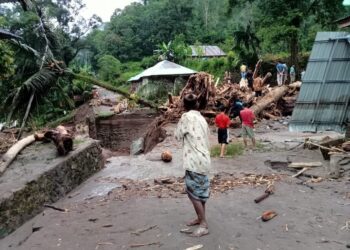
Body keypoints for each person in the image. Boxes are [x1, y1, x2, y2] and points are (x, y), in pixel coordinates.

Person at [175, 93, 211, 237]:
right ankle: (200, 218)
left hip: (193, 161)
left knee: (193, 194)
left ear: (184, 105)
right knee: (200, 192)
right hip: (204, 160)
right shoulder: (202, 119)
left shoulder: (186, 117)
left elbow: (177, 136)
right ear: (197, 104)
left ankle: (203, 224)